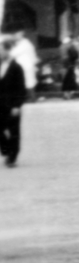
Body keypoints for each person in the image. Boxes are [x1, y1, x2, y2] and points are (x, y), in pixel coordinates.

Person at [0, 37, 27, 167]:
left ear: (7, 51)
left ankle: (12, 156)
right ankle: (5, 149)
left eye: (0, 50)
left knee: (14, 131)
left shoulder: (17, 68)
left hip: (12, 105)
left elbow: (21, 88)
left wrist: (17, 105)